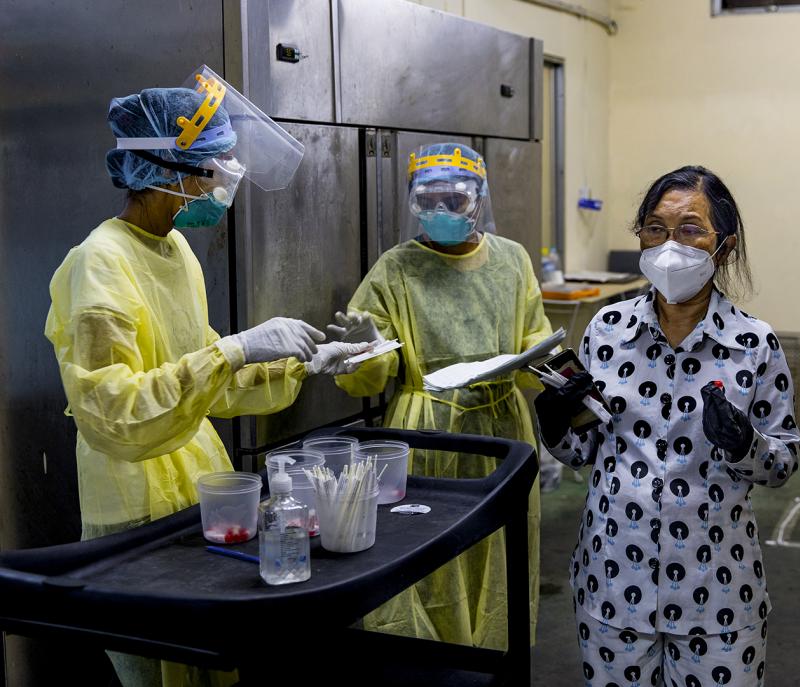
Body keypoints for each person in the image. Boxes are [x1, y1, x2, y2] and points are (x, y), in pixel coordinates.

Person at [45, 69, 372, 687]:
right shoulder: (100, 264)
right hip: (133, 500)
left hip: (197, 483)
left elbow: (203, 380)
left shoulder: (176, 252)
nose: (223, 184)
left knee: (212, 665)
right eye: (212, 170)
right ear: (161, 171)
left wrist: (292, 363)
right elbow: (112, 412)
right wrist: (236, 349)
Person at [535, 166, 800, 687]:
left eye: (690, 229)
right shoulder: (607, 332)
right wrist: (554, 424)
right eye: (655, 228)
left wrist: (746, 443)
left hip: (717, 591)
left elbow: (782, 462)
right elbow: (585, 449)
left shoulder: (754, 345)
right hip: (613, 578)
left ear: (723, 246)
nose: (669, 245)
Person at [332, 142, 552, 650]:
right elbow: (368, 376)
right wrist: (363, 350)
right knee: (428, 557)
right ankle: (432, 665)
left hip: (503, 431)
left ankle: (496, 658)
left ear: (479, 200)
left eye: (454, 200)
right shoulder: (396, 268)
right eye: (427, 200)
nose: (441, 212)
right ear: (412, 202)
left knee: (502, 550)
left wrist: (551, 366)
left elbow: (532, 342)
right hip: (427, 430)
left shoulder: (512, 261)